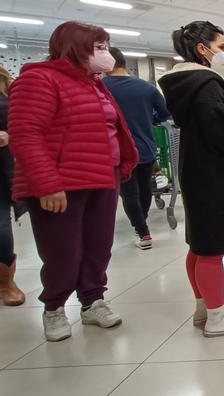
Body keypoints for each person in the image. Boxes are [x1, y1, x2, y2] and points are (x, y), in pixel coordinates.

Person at [9, 21, 139, 341]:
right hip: (63, 182)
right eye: (99, 47)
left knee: (98, 246)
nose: (106, 54)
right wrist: (47, 184)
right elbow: (26, 134)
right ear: (74, 47)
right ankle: (53, 307)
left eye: (106, 46)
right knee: (63, 251)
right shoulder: (39, 79)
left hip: (102, 175)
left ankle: (93, 301)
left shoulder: (94, 83)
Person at [159, 20, 224, 337]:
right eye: (222, 47)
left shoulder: (186, 84)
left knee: (199, 245)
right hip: (215, 176)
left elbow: (210, 119)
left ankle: (206, 305)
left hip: (198, 171)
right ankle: (217, 318)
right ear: (203, 50)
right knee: (212, 248)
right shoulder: (205, 84)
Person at [104, 47, 171, 250]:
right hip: (145, 146)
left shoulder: (101, 87)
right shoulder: (146, 87)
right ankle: (142, 222)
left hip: (118, 149)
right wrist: (150, 120)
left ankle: (142, 231)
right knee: (144, 188)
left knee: (129, 191)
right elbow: (165, 112)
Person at [0, 65, 26, 306]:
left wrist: (9, 134)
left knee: (1, 228)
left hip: (3, 166)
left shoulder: (8, 87)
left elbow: (25, 125)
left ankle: (5, 282)